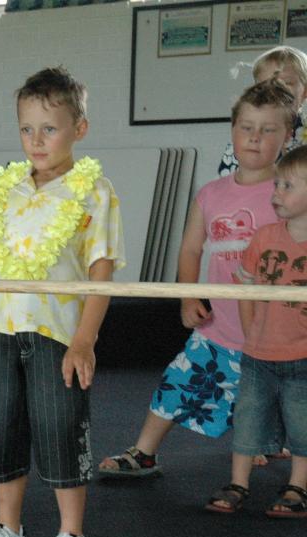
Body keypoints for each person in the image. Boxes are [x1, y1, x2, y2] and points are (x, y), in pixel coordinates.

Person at [0, 67, 124, 537]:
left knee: (60, 428)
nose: (36, 140)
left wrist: (85, 341)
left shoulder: (94, 190)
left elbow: (102, 270)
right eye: (27, 128)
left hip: (56, 335)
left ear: (80, 128)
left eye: (49, 128)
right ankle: (9, 531)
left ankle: (71, 536)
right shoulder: (5, 190)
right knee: (0, 430)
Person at [98, 81, 296, 479]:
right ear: (232, 132)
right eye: (246, 127)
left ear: (289, 136)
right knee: (178, 381)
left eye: (268, 129)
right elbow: (190, 249)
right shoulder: (210, 194)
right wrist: (188, 298)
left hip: (278, 332)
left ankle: (272, 446)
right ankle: (144, 453)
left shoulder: (291, 194)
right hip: (219, 329)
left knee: (285, 400)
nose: (255, 138)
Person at [205, 145, 307, 516]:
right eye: (276, 184)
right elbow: (244, 288)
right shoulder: (263, 238)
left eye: (287, 187)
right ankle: (238, 483)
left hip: (303, 357)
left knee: (302, 424)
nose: (276, 193)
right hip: (258, 355)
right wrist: (250, 333)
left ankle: (297, 487)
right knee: (246, 418)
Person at [217, 46, 307, 177]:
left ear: (305, 91)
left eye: (287, 83)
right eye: (267, 83)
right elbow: (227, 182)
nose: (276, 90)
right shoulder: (247, 134)